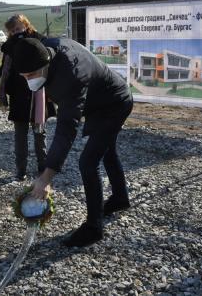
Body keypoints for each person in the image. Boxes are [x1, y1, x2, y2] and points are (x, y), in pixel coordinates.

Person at [13, 37, 133, 247]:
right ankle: (120, 198)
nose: (28, 80)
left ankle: (94, 227)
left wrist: (46, 177)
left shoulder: (71, 75)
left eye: (31, 75)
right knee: (107, 151)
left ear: (45, 64)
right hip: (97, 102)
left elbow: (66, 130)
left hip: (115, 103)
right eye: (23, 77)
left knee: (88, 162)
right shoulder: (45, 49)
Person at [0, 14, 48, 180]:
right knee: (20, 135)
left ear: (26, 25)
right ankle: (21, 170)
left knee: (39, 132)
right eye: (12, 30)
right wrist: (5, 90)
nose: (16, 32)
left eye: (18, 28)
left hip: (38, 93)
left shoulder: (39, 39)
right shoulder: (9, 46)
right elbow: (4, 70)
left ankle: (43, 167)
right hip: (19, 95)